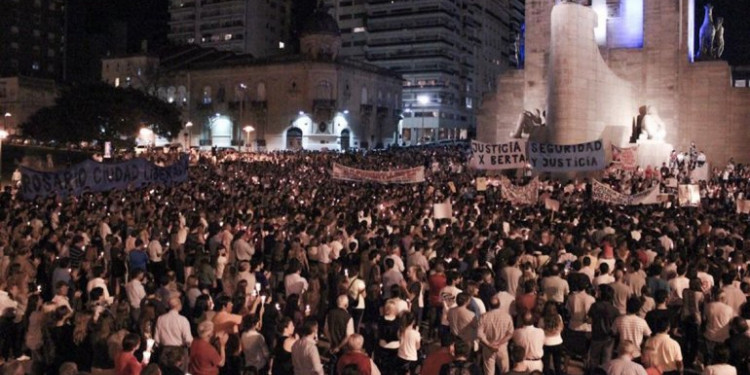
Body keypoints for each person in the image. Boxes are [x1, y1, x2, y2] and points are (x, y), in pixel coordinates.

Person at [477, 295, 514, 375]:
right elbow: (510, 333)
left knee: (489, 373)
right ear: (499, 305)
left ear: (489, 305)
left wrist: (489, 345)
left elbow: (479, 334)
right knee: (505, 372)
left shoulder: (484, 317)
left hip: (488, 347)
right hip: (502, 347)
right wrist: (499, 343)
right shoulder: (507, 316)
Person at [588, 284, 620, 371]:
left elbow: (589, 319)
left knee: (594, 357)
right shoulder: (615, 310)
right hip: (609, 338)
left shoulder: (595, 306)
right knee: (606, 359)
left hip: (596, 335)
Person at [539, 300, 564, 375]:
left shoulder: (542, 320)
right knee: (558, 365)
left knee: (546, 365)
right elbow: (561, 328)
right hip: (558, 342)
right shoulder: (559, 317)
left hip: (546, 343)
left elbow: (540, 332)